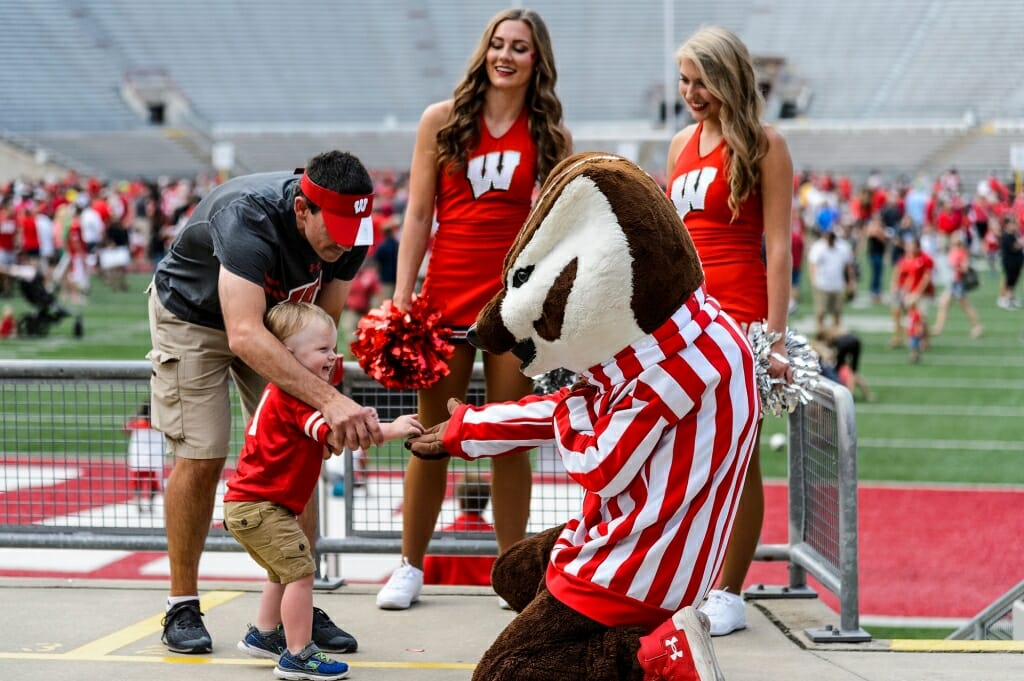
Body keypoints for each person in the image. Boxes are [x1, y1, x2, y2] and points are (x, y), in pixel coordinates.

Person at [147, 150, 385, 655]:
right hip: (196, 317)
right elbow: (243, 334)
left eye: (352, 230)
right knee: (202, 453)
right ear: (303, 210)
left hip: (281, 321)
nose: (343, 243)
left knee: (298, 449)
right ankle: (182, 603)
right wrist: (329, 401)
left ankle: (293, 603)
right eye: (333, 230)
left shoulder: (352, 230)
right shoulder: (247, 217)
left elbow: (325, 317)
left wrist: (328, 397)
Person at [375, 7, 572, 611]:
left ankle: (511, 571)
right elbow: (416, 216)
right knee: (432, 436)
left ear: (537, 61)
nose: (505, 55)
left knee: (508, 436)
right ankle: (410, 565)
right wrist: (402, 294)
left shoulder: (548, 136)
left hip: (510, 308)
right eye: (497, 44)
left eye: (519, 47)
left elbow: (562, 228)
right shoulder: (442, 121)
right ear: (484, 51)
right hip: (442, 302)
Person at [665, 25, 794, 637]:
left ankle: (731, 592)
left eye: (701, 81)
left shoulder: (765, 145)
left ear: (728, 78)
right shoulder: (679, 144)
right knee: (685, 459)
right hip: (684, 319)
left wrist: (773, 337)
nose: (691, 92)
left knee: (738, 462)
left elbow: (778, 248)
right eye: (684, 81)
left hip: (739, 318)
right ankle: (690, 578)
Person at [225, 301, 421, 680]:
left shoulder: (280, 391)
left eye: (333, 348)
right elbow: (336, 434)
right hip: (262, 506)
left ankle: (265, 635)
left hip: (249, 505)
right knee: (300, 572)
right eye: (322, 350)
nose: (333, 356)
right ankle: (298, 654)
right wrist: (393, 429)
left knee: (280, 571)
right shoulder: (295, 398)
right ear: (286, 354)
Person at [421, 471, 497, 586]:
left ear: (460, 501)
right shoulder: (497, 538)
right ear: (486, 501)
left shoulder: (442, 537)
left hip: (451, 599)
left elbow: (426, 578)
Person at [932, 230, 983, 339]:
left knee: (965, 306)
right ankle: (938, 327)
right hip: (953, 282)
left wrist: (956, 267)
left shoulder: (962, 252)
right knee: (943, 304)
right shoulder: (952, 250)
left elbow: (964, 268)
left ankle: (977, 326)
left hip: (958, 283)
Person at [806, 227, 856, 336]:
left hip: (838, 285)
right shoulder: (818, 247)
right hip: (822, 284)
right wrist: (814, 280)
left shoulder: (843, 247)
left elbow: (848, 266)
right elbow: (812, 264)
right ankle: (820, 334)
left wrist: (851, 281)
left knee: (837, 312)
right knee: (821, 311)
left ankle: (836, 334)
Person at [889, 235, 934, 349]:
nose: (908, 248)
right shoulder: (907, 258)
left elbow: (926, 277)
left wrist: (918, 292)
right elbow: (905, 275)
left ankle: (925, 340)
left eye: (911, 246)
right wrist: (900, 289)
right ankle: (904, 338)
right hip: (908, 292)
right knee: (907, 316)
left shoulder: (925, 259)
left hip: (921, 293)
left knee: (921, 317)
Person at [123, 401, 165, 512]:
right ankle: (150, 503)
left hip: (139, 459)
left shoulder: (137, 424)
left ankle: (138, 502)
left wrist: (135, 415)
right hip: (154, 459)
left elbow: (125, 428)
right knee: (154, 483)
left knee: (137, 482)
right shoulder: (160, 425)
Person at [906, 298, 925, 363]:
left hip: (915, 333)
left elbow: (919, 323)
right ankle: (916, 356)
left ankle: (915, 357)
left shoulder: (916, 313)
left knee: (914, 346)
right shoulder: (910, 313)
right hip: (911, 332)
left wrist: (919, 331)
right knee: (913, 346)